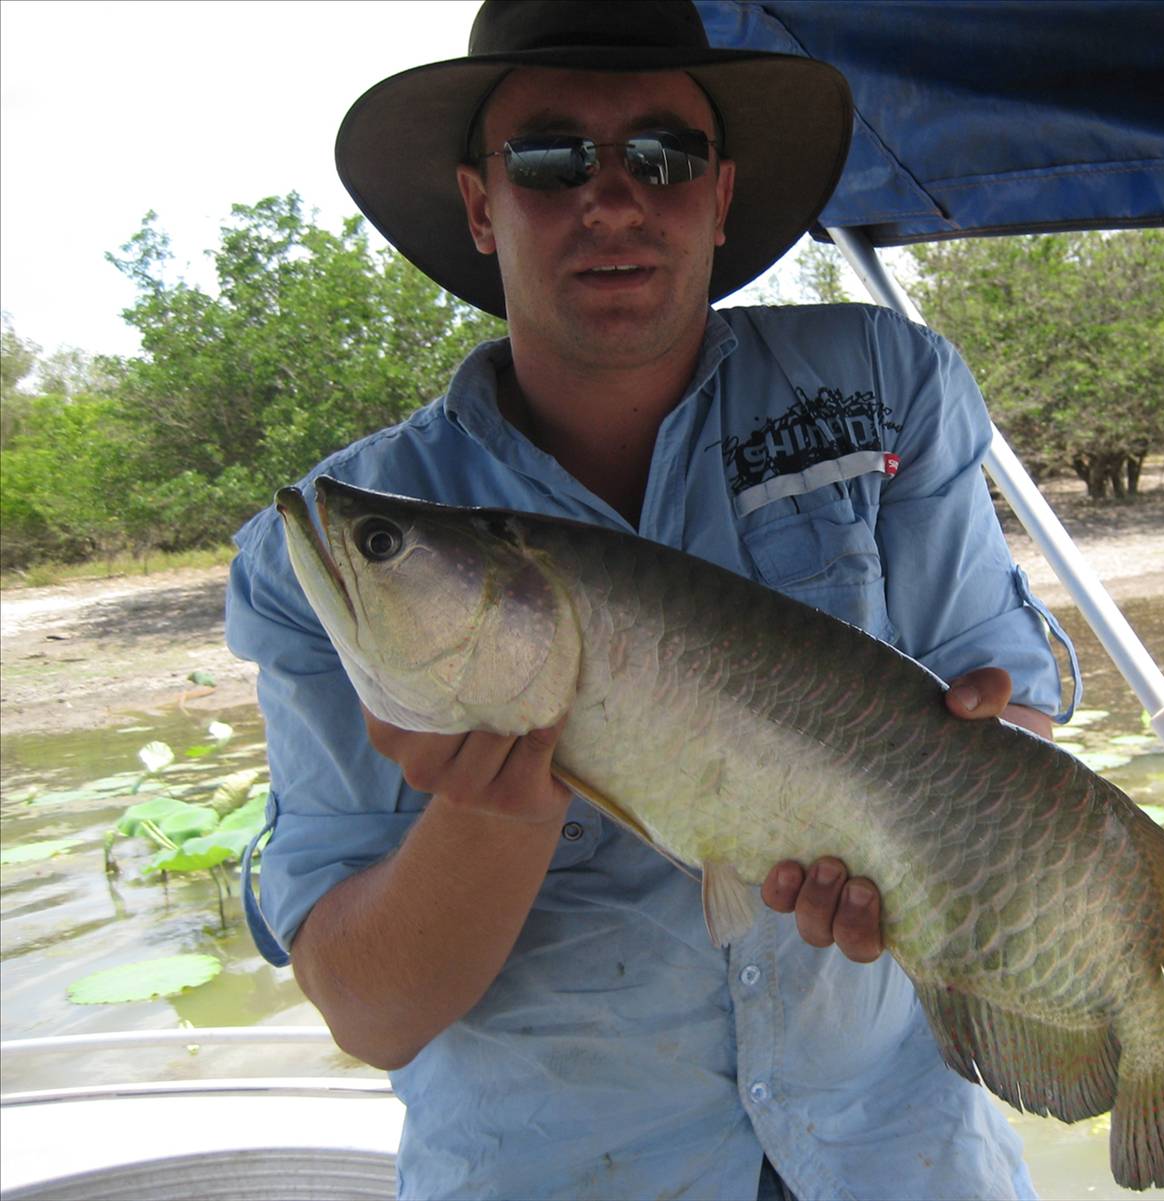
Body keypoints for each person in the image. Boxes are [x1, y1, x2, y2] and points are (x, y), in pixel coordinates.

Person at [225, 3, 1079, 1198]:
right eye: (550, 157)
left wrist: (961, 779)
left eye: (665, 157)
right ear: (481, 202)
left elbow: (1008, 712)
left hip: (907, 1155)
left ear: (720, 196)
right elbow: (370, 1009)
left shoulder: (887, 387)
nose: (614, 199)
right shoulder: (322, 556)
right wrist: (489, 817)